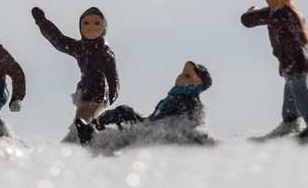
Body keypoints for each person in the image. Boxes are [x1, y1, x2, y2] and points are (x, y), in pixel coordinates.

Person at [242, 0, 308, 140]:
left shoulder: (281, 14)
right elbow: (247, 20)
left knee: (299, 91)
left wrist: (253, 13)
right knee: (291, 91)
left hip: (295, 60)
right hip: (292, 60)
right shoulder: (280, 12)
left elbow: (251, 19)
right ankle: (290, 123)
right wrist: (253, 13)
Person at [31, 5, 118, 142]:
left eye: (97, 23)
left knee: (81, 122)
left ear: (103, 27)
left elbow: (112, 76)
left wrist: (112, 93)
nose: (91, 27)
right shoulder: (81, 48)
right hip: (85, 92)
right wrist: (42, 21)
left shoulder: (104, 52)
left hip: (98, 94)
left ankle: (76, 144)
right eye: (86, 23)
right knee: (84, 123)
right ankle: (88, 141)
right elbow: (59, 40)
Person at [84, 60, 214, 152]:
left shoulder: (191, 102)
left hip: (160, 133)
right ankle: (92, 128)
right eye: (181, 73)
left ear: (197, 86)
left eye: (187, 76)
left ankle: (96, 141)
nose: (180, 76)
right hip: (150, 124)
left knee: (128, 132)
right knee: (123, 111)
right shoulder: (171, 97)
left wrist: (198, 136)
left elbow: (195, 122)